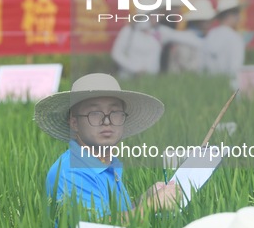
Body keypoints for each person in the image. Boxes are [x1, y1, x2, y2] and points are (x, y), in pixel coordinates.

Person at [35, 73, 179, 220]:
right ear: (74, 123)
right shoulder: (72, 172)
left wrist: (144, 199)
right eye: (95, 113)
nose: (106, 121)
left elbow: (113, 216)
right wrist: (152, 204)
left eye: (115, 112)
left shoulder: (107, 164)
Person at [111, 0, 202, 78]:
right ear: (145, 15)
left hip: (151, 81)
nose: (158, 16)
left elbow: (184, 38)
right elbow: (117, 53)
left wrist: (205, 41)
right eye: (154, 13)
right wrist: (135, 68)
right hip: (129, 79)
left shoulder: (160, 31)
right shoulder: (128, 31)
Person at [203, 0, 247, 87]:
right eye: (237, 13)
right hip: (228, 86)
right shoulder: (235, 38)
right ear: (228, 15)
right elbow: (236, 68)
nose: (239, 18)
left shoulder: (211, 35)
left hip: (209, 85)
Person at [167, 0, 216, 73]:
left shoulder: (205, 38)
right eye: (206, 21)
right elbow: (185, 66)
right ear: (198, 21)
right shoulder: (184, 39)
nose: (209, 24)